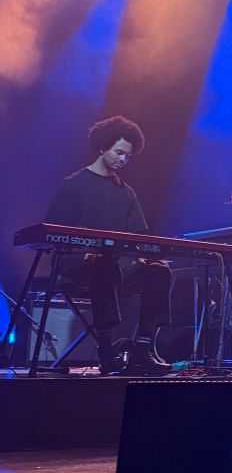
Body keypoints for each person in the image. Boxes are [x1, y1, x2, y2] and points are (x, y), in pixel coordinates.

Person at [44, 116, 172, 375]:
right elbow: (53, 237)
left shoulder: (126, 193)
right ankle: (105, 349)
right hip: (78, 266)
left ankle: (142, 348)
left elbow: (139, 238)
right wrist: (84, 252)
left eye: (128, 155)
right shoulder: (73, 185)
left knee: (159, 270)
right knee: (103, 264)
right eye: (119, 152)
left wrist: (144, 258)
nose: (123, 159)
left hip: (118, 265)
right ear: (102, 147)